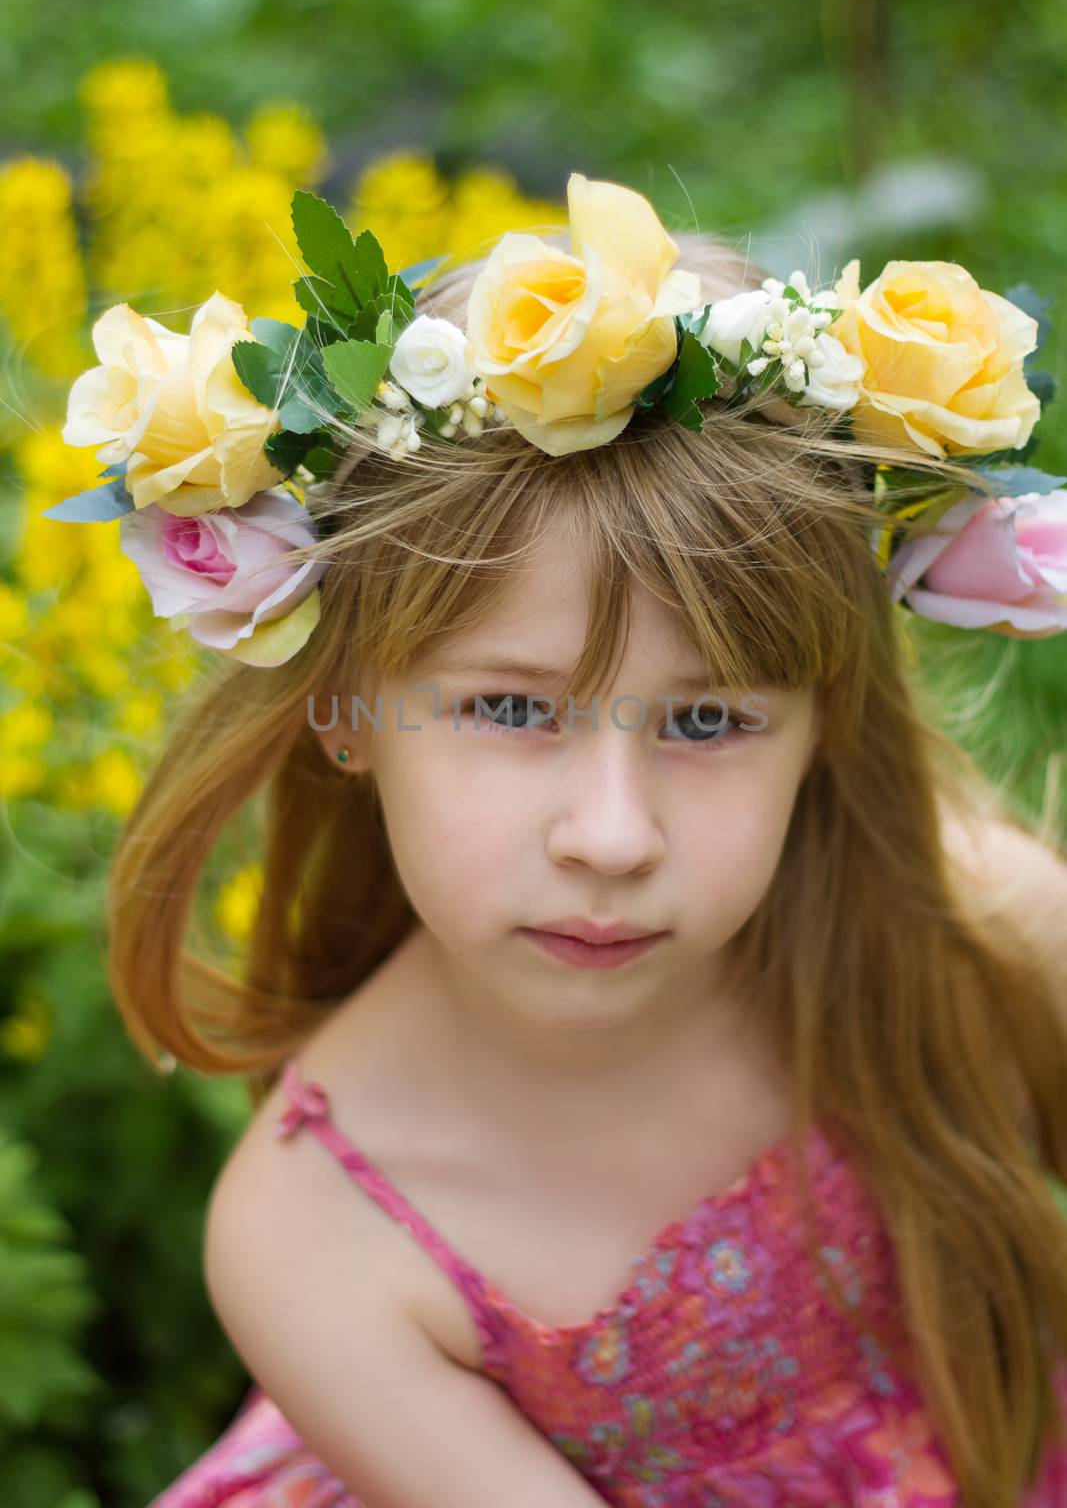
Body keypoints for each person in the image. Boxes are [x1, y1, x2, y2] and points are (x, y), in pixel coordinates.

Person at [54, 173, 1067, 1505]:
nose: (611, 835)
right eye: (515, 708)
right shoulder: (321, 1235)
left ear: (826, 721)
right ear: (346, 707)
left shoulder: (965, 933)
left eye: (708, 724)